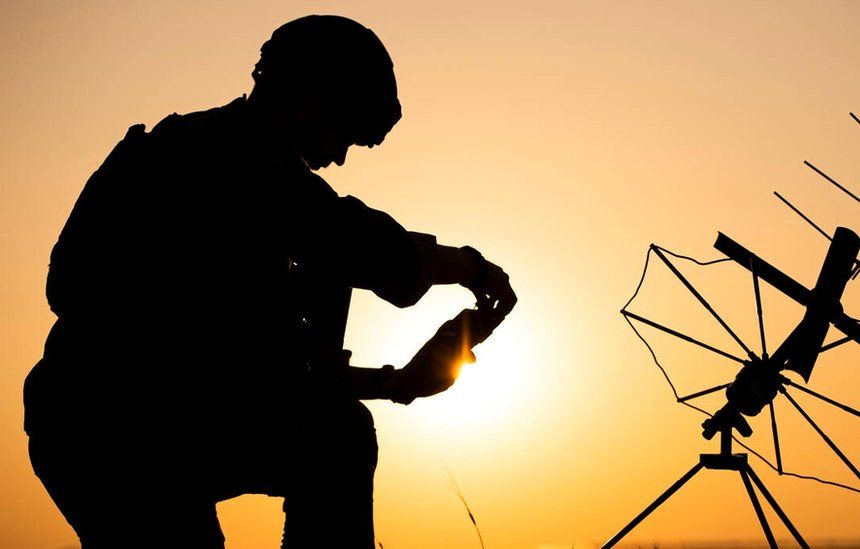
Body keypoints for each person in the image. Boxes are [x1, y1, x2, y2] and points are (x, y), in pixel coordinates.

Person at [24, 15, 516, 549]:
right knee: (339, 440)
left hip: (126, 428)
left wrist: (397, 384)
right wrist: (472, 269)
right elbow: (372, 251)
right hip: (113, 434)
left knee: (336, 435)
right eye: (343, 129)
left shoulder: (233, 174)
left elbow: (257, 375)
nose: (340, 156)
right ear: (306, 94)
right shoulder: (226, 161)